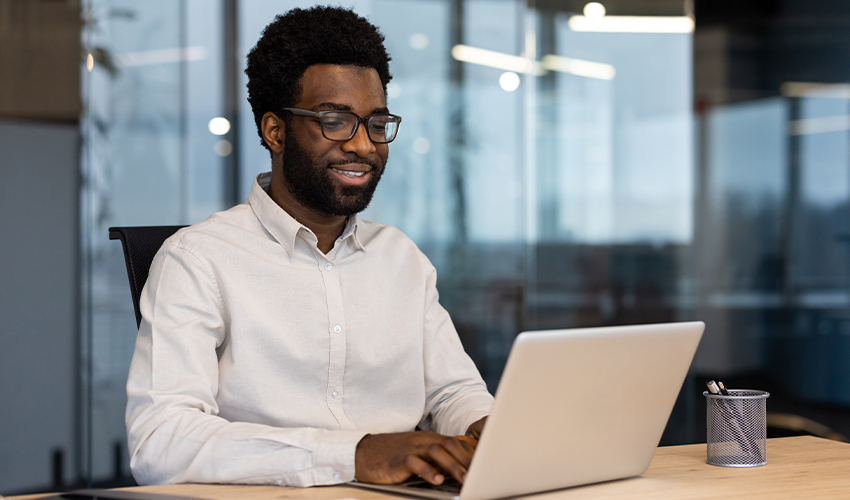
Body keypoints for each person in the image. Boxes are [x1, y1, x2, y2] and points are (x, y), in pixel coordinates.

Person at [125, 6, 494, 489]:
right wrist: (355, 454)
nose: (364, 146)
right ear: (275, 131)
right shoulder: (198, 259)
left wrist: (484, 428)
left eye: (376, 124)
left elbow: (451, 390)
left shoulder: (400, 258)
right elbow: (161, 441)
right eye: (335, 121)